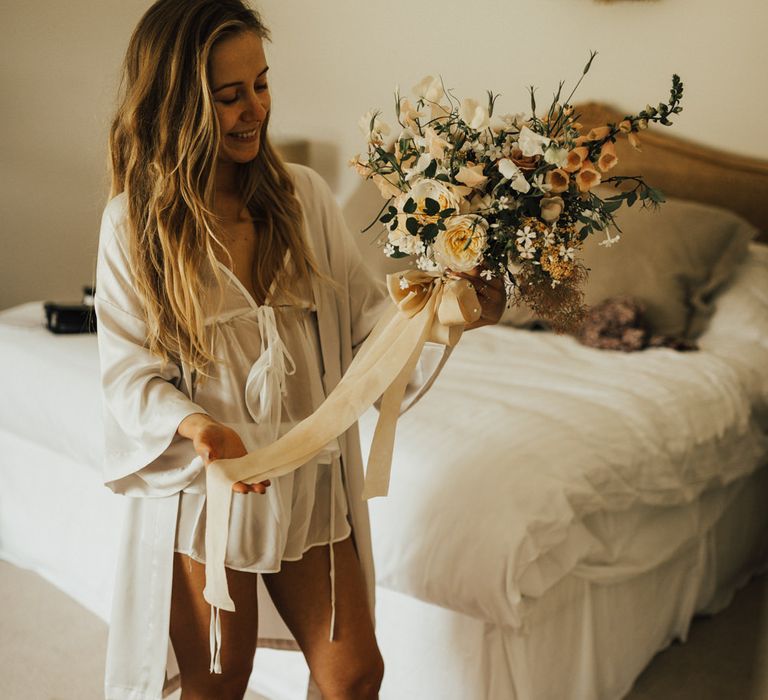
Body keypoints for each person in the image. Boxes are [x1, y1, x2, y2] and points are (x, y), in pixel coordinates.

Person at [95, 1, 506, 699]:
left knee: (354, 675)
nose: (255, 107)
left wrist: (456, 312)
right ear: (178, 104)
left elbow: (372, 331)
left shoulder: (305, 197)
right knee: (220, 682)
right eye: (230, 96)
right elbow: (129, 372)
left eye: (261, 83)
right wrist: (200, 429)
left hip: (308, 475)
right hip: (206, 490)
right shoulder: (135, 223)